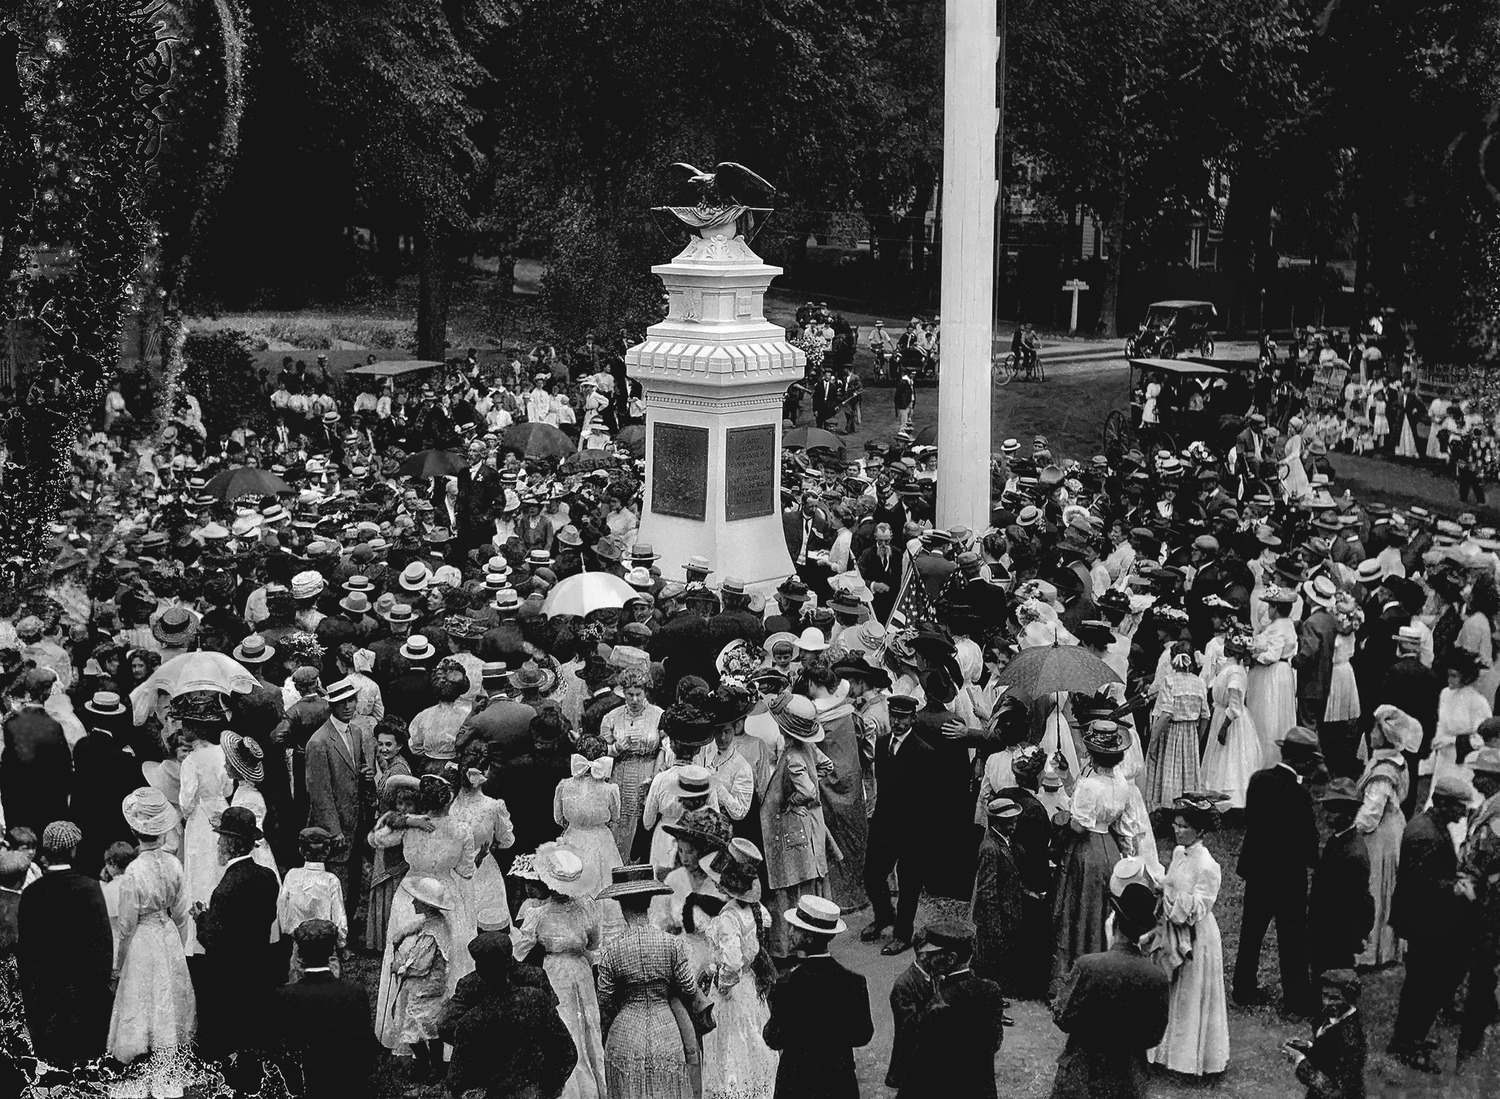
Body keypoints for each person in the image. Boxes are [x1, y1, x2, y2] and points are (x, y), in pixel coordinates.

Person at [596, 864, 713, 1099]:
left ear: (621, 906)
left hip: (625, 1032)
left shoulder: (612, 949)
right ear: (649, 902)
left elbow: (605, 1000)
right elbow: (689, 988)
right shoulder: (672, 944)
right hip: (666, 1030)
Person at [106, 789, 195, 1096]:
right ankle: (164, 1047)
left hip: (144, 936)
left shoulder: (133, 871)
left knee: (141, 991)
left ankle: (141, 1049)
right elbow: (182, 912)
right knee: (166, 989)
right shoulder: (174, 864)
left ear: (135, 830)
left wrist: (118, 964)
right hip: (166, 931)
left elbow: (127, 924)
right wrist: (179, 945)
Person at [1388, 773, 1476, 1072]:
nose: (1464, 812)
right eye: (1459, 807)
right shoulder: (1425, 833)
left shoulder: (1430, 825)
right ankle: (1407, 1045)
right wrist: (1453, 886)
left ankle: (1408, 1038)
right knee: (1423, 987)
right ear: (1444, 804)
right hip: (1426, 925)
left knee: (1420, 986)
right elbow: (1419, 883)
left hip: (1425, 923)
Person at [1048, 882, 1170, 1099]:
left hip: (1081, 1078)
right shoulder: (1157, 978)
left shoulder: (1088, 966)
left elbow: (1063, 1017)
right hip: (1127, 1082)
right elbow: (1153, 1036)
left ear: (1114, 922)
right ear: (1143, 932)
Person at [1233, 725, 1320, 1016]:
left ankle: (1243, 989)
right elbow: (1309, 844)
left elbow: (1249, 819)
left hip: (1258, 872)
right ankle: (1295, 1001)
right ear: (1301, 760)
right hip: (1288, 879)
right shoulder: (1299, 795)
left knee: (1251, 934)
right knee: (1293, 940)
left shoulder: (1259, 780)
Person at [511, 842, 607, 1099]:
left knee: (573, 1024)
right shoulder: (583, 908)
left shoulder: (539, 914)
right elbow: (595, 943)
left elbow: (518, 951)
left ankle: (576, 1091)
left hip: (560, 970)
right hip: (575, 969)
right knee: (579, 1025)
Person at [17, 819, 113, 1069]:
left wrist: (31, 997)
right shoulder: (91, 889)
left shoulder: (31, 894)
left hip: (46, 998)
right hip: (84, 997)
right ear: (73, 850)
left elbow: (24, 954)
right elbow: (103, 948)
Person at [1051, 720, 1136, 1000]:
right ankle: (1102, 968)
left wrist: (1065, 817)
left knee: (1081, 911)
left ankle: (1078, 974)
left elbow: (1079, 825)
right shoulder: (1121, 782)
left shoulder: (1090, 785)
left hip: (1087, 851)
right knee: (1102, 910)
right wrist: (1066, 777)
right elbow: (1115, 820)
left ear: (1090, 753)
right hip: (1110, 849)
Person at [441, 926, 578, 1099]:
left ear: (480, 967)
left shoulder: (470, 1005)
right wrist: (547, 1089)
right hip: (532, 1083)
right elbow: (565, 1049)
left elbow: (446, 1027)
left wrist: (479, 1044)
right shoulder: (536, 987)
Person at [191, 805, 280, 1065]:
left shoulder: (224, 890)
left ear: (230, 844)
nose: (218, 842)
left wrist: (201, 918)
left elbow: (212, 940)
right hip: (259, 968)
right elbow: (267, 918)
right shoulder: (267, 877)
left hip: (228, 979)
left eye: (221, 838)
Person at [1149, 794, 1230, 1076]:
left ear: (1200, 830)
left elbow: (1197, 908)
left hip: (1197, 936)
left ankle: (1189, 1060)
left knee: (1191, 993)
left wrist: (1171, 897)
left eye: (1184, 826)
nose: (1178, 830)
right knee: (1172, 989)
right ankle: (1164, 1054)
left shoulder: (1207, 865)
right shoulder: (1178, 854)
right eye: (1176, 824)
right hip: (1173, 930)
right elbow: (1172, 884)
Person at [762, 895, 872, 1099]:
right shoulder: (854, 982)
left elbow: (774, 1039)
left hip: (797, 1084)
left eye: (796, 929)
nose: (790, 933)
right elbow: (862, 1035)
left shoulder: (788, 985)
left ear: (810, 938)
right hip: (839, 1082)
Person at [697, 839, 779, 1099]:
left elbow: (732, 963)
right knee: (753, 1038)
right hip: (751, 983)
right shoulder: (754, 909)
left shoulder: (728, 919)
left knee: (733, 1045)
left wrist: (718, 982)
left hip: (733, 991)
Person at [760, 695, 834, 959]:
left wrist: (794, 799)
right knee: (805, 883)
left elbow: (809, 790)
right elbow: (827, 766)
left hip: (792, 829)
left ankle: (790, 948)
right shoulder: (807, 748)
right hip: (808, 826)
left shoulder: (793, 755)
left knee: (791, 885)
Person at [270, 919, 376, 1098]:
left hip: (301, 1086)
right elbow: (365, 1048)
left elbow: (279, 1048)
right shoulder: (355, 992)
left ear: (299, 955)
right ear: (331, 952)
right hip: (345, 1084)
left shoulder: (284, 996)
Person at [1354, 707, 1415, 967]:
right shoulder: (1396, 760)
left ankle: (1373, 950)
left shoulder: (1384, 772)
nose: (1370, 734)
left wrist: (1351, 830)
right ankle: (1385, 947)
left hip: (1380, 834)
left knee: (1375, 888)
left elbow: (1371, 814)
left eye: (1375, 730)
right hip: (1393, 828)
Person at [306, 677, 373, 909]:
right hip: (336, 829)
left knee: (355, 884)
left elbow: (357, 769)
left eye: (351, 700)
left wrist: (365, 774)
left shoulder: (356, 732)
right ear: (331, 706)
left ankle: (351, 932)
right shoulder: (318, 742)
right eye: (342, 702)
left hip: (356, 822)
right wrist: (333, 830)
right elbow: (319, 791)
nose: (348, 706)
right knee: (337, 889)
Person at [388, 875, 455, 1082]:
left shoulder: (431, 936)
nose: (413, 902)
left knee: (423, 1027)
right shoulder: (434, 921)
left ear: (426, 904)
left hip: (426, 988)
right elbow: (419, 924)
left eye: (417, 900)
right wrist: (403, 933)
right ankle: (428, 1064)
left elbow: (419, 965)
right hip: (430, 987)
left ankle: (431, 1066)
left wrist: (398, 967)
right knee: (424, 1026)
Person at [1307, 778, 1373, 975]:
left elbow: (1359, 901)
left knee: (1334, 985)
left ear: (1349, 813)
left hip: (1337, 935)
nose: (1327, 816)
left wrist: (1358, 936)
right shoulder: (1339, 839)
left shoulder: (1353, 853)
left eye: (1333, 810)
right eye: (1326, 809)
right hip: (1326, 929)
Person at [1201, 627, 1263, 809]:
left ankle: (1233, 800)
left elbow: (1235, 704)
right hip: (1221, 714)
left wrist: (1224, 727)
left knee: (1231, 759)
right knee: (1219, 758)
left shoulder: (1235, 672)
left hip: (1231, 721)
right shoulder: (1229, 669)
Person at [1281, 970, 1367, 1099]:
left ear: (1350, 999)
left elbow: (1335, 1092)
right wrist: (1309, 1046)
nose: (1327, 1002)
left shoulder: (1351, 1038)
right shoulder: (1333, 1016)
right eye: (1324, 995)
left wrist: (1300, 1061)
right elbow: (1331, 1053)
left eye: (1334, 998)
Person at [970, 797, 1025, 997]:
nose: (1013, 825)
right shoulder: (990, 849)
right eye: (1009, 822)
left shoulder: (1006, 842)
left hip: (1008, 914)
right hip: (996, 919)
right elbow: (987, 891)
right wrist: (994, 926)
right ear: (996, 824)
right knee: (990, 964)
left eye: (1015, 821)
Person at [277, 827, 349, 980]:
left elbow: (282, 907)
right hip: (325, 944)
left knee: (298, 978)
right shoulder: (331, 880)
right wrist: (342, 944)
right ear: (327, 851)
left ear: (301, 850)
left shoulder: (291, 875)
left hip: (298, 941)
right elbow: (339, 916)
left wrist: (287, 933)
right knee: (327, 982)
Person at [555, 733, 624, 889]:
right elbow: (616, 817)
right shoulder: (610, 789)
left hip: (573, 837)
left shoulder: (564, 786)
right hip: (602, 840)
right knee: (604, 883)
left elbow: (558, 818)